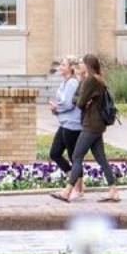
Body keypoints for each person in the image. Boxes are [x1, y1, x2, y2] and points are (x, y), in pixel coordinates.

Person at [66, 54, 120, 203]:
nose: (79, 65)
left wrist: (84, 98)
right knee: (101, 158)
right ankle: (113, 191)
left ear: (88, 65)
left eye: (82, 63)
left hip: (91, 124)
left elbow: (79, 103)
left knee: (76, 157)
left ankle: (67, 191)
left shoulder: (90, 80)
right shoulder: (98, 78)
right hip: (98, 125)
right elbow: (83, 100)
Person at [48, 56, 85, 202]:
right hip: (64, 123)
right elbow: (62, 103)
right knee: (55, 153)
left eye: (63, 65)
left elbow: (69, 104)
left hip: (73, 124)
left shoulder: (72, 83)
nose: (60, 67)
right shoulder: (64, 82)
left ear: (71, 68)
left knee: (73, 157)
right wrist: (56, 109)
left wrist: (57, 109)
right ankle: (75, 182)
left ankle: (78, 189)